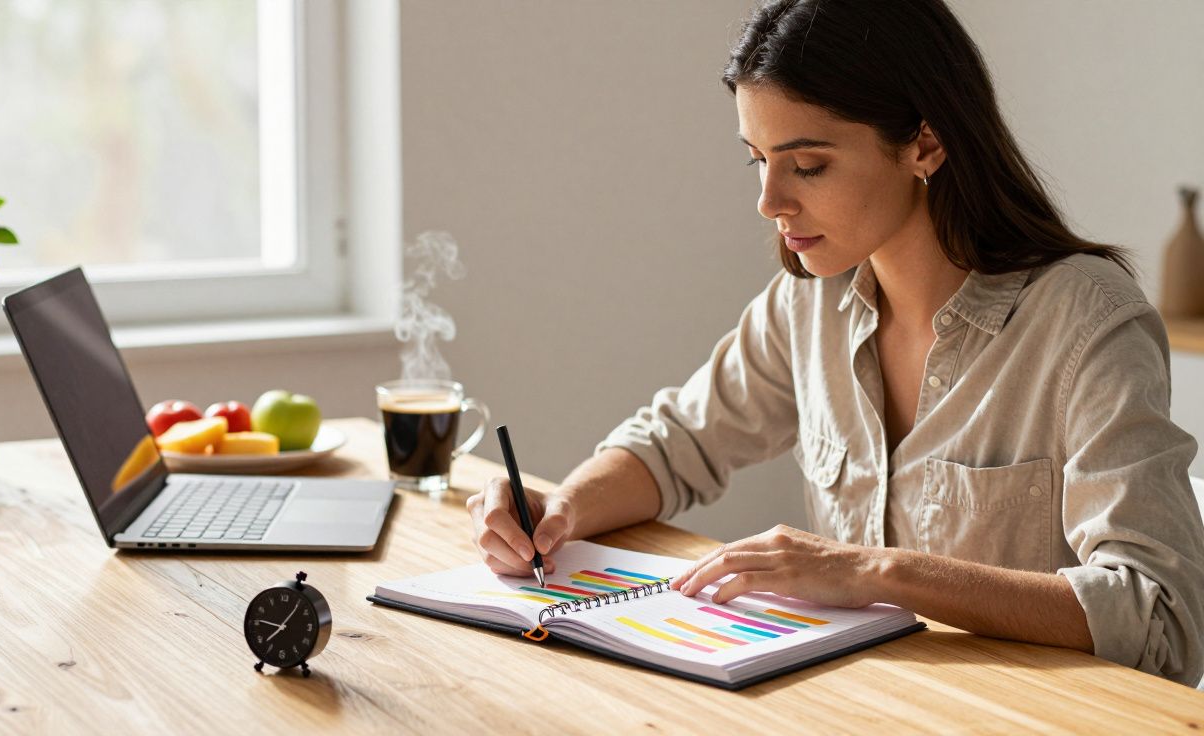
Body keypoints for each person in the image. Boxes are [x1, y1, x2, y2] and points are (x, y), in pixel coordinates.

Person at [466, 0, 1204, 685]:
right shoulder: (810, 299)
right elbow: (677, 443)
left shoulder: (1087, 322)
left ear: (926, 142)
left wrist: (873, 572)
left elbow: (1162, 618)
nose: (769, 201)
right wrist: (560, 509)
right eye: (758, 160)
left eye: (808, 165)